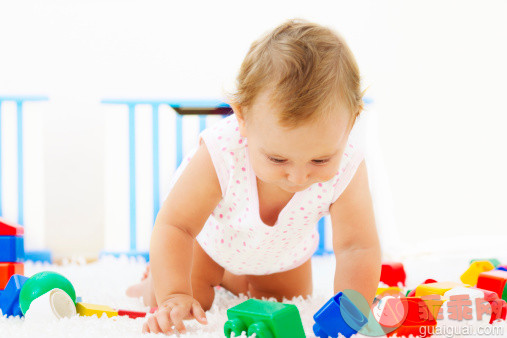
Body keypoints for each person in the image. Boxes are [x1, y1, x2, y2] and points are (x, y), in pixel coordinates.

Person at [126, 18, 381, 335]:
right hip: (211, 248)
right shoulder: (223, 153)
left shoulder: (348, 164)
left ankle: (235, 279)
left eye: (320, 159)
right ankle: (153, 280)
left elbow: (357, 247)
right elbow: (176, 224)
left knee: (285, 307)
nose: (298, 176)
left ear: (352, 120)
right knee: (186, 300)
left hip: (284, 257)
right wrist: (173, 293)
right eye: (277, 158)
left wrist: (352, 311)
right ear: (242, 118)